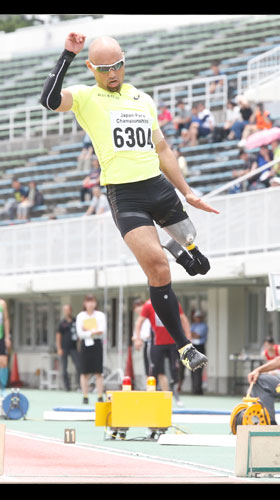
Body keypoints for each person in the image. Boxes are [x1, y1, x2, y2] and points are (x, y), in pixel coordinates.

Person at [39, 32, 216, 374]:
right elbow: (48, 100)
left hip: (158, 187)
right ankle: (185, 347)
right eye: (105, 68)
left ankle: (182, 250)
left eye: (118, 65)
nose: (113, 73)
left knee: (199, 266)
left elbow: (163, 149)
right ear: (92, 68)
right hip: (126, 194)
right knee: (156, 267)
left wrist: (187, 191)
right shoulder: (86, 97)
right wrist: (67, 54)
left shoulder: (142, 99)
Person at [136, 298, 189, 406]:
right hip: (157, 343)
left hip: (172, 342)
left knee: (174, 370)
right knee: (155, 371)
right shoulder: (148, 305)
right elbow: (139, 321)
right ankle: (151, 397)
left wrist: (188, 336)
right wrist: (137, 338)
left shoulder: (172, 302)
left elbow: (183, 318)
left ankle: (174, 395)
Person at [75, 294, 106, 404]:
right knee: (84, 372)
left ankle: (100, 396)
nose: (90, 304)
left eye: (92, 301)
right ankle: (85, 396)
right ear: (84, 303)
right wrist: (93, 331)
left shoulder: (100, 315)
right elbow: (80, 333)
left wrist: (87, 329)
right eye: (88, 301)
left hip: (97, 344)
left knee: (98, 372)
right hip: (85, 345)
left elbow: (102, 331)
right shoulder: (80, 316)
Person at [56, 304, 80, 392]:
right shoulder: (61, 323)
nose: (67, 312)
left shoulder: (75, 321)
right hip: (64, 348)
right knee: (64, 367)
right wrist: (59, 348)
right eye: (65, 310)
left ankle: (79, 385)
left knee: (78, 366)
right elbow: (58, 336)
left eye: (68, 310)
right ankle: (67, 386)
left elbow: (79, 334)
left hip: (73, 347)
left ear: (71, 310)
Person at [132, 298, 153, 380]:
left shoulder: (150, 318)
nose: (138, 308)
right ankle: (150, 387)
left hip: (153, 344)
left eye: (140, 306)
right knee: (147, 366)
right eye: (136, 307)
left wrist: (140, 338)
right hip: (146, 344)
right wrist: (137, 340)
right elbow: (135, 336)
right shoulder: (138, 321)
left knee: (153, 366)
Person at [188, 311, 208, 395]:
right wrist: (192, 334)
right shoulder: (193, 325)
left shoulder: (204, 326)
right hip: (193, 346)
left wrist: (192, 334)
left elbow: (197, 335)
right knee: (192, 367)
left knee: (199, 368)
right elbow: (189, 334)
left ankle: (198, 389)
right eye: (197, 317)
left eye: (199, 317)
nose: (198, 319)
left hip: (200, 347)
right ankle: (194, 388)